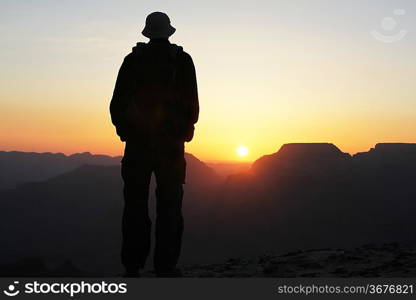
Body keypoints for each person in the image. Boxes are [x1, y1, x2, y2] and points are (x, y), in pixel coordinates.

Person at [109, 11, 199, 277]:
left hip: (137, 146)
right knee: (170, 206)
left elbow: (116, 104)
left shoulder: (132, 61)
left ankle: (132, 266)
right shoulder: (182, 61)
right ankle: (166, 266)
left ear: (147, 33)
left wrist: (127, 133)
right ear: (169, 32)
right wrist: (182, 132)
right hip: (170, 148)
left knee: (135, 206)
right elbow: (192, 106)